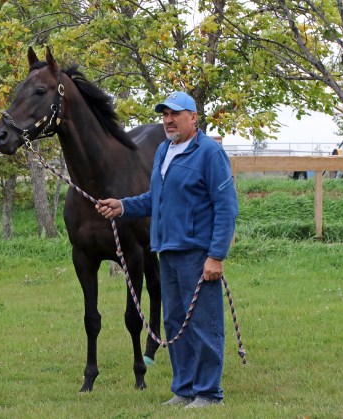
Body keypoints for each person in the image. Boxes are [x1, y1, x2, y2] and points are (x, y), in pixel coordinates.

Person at [96, 91, 238, 409]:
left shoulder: (210, 153)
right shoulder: (164, 151)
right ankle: (184, 389)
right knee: (175, 323)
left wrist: (216, 256)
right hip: (167, 252)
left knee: (203, 321)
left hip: (198, 253)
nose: (168, 120)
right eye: (164, 115)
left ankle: (209, 393)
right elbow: (153, 199)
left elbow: (226, 207)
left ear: (193, 117)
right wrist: (122, 205)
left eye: (175, 114)